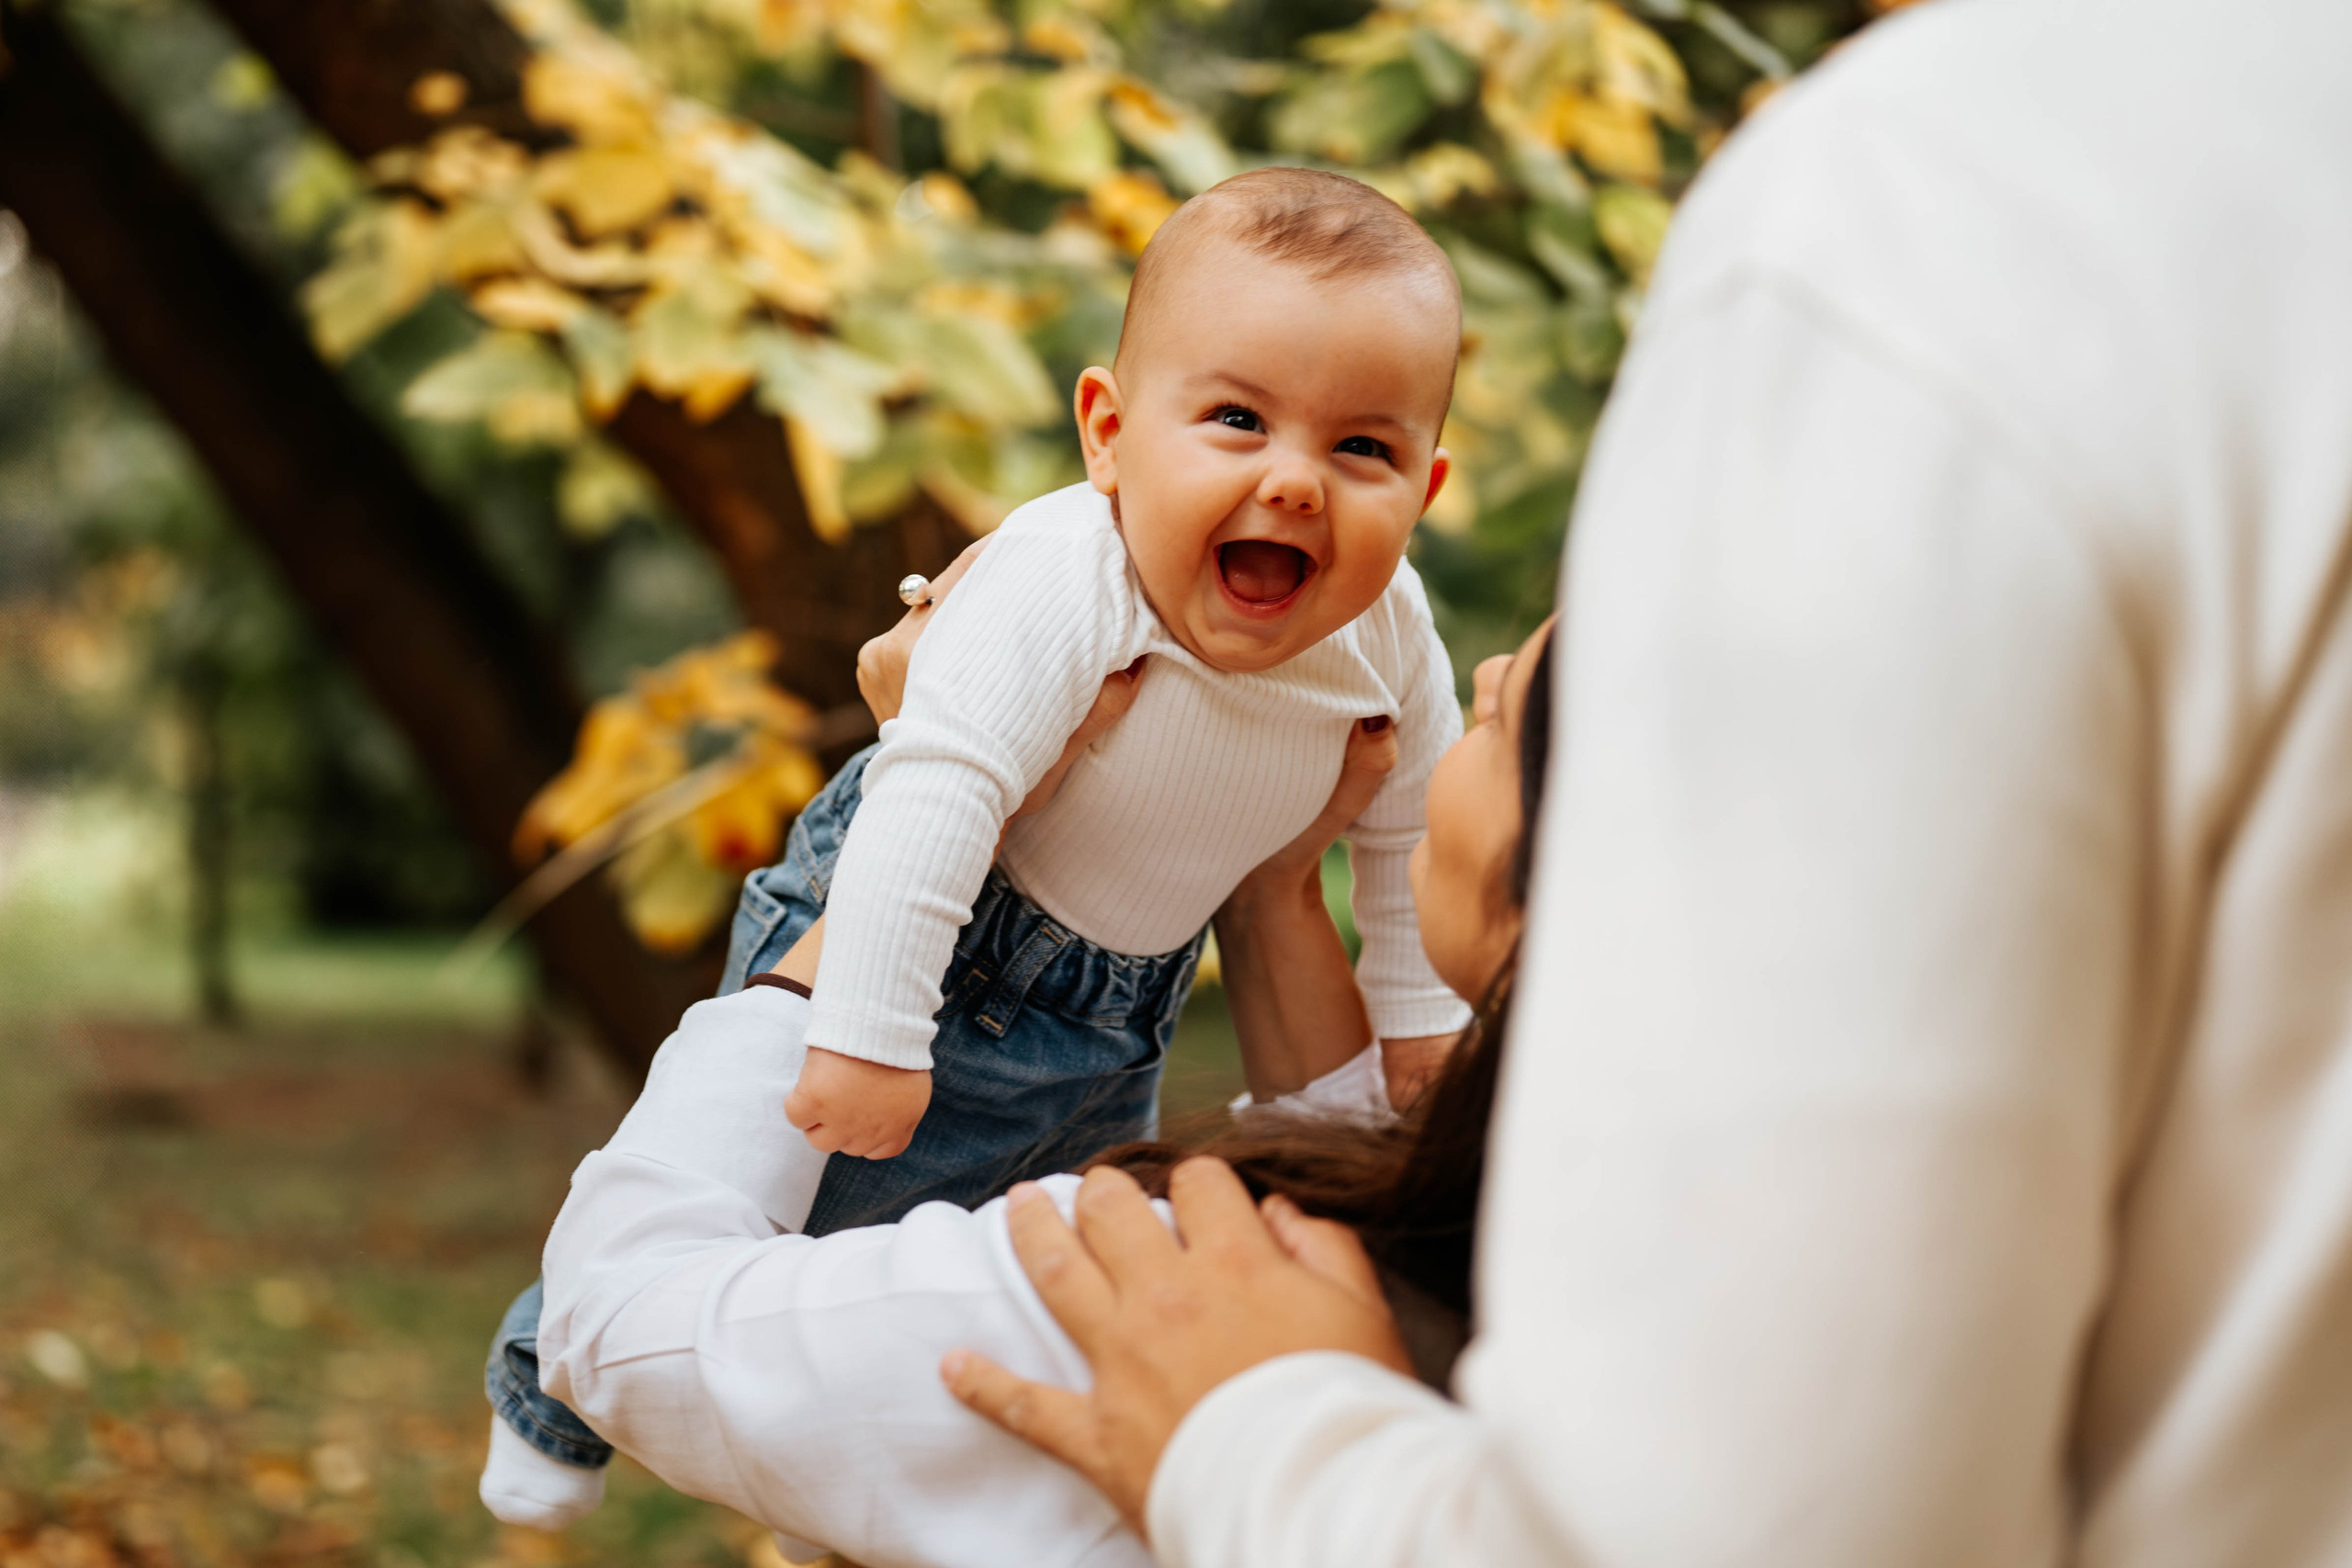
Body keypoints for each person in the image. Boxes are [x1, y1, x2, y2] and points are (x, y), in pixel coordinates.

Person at [942, 2, 2352, 1564]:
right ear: (1107, 429)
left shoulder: (1934, 217)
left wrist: (1257, 1438)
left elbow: (1754, 1523)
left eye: (1529, 719)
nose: (1483, 685)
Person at [478, 164, 1476, 1525]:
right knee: (797, 1194)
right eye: (1237, 420)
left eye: (1361, 449)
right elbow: (938, 791)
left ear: (1424, 485)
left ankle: (881, 1484)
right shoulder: (1065, 577)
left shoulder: (1393, 630)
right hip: (940, 912)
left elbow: (1409, 825)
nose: (1295, 482)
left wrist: (1419, 1017)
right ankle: (549, 1381)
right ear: (1108, 435)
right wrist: (873, 1029)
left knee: (1008, 1255)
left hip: (1130, 994)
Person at [526, 616, 1557, 1565]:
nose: (1488, 673)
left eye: (1517, 716)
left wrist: (916, 842)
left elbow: (615, 1322)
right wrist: (1268, 881)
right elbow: (1361, 1149)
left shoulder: (1169, 1291)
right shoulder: (1539, 1270)